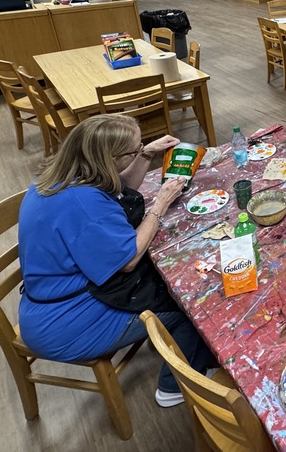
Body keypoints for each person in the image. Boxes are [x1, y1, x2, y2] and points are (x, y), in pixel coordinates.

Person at [17, 115, 216, 409]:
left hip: (51, 298)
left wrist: (146, 153)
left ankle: (173, 343)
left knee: (167, 278)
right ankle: (174, 387)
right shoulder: (83, 203)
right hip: (67, 321)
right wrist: (160, 203)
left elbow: (120, 188)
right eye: (133, 151)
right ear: (108, 157)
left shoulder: (67, 174)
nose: (140, 151)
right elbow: (128, 259)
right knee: (192, 302)